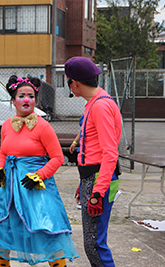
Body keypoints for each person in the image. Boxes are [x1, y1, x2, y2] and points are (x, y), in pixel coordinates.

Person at [0, 76, 79, 267]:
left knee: (46, 230)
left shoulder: (43, 126)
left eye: (30, 96)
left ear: (35, 100)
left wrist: (40, 175)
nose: (26, 100)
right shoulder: (6, 125)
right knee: (2, 229)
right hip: (10, 189)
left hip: (36, 190)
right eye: (21, 96)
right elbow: (4, 152)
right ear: (13, 100)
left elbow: (57, 158)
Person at [65, 56, 122, 267]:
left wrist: (97, 191)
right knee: (94, 241)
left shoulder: (99, 106)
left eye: (69, 82)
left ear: (75, 83)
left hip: (100, 179)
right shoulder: (96, 101)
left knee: (94, 244)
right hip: (93, 177)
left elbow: (109, 152)